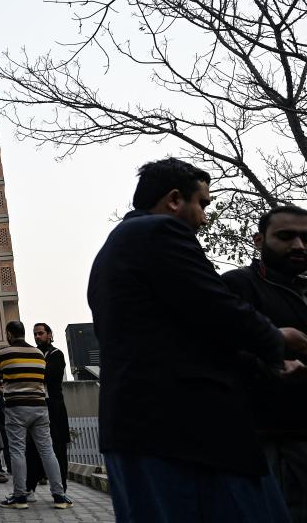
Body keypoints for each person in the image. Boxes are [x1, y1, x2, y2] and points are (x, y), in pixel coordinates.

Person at [89, 158, 307, 522]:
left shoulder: (119, 247)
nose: (204, 218)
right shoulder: (159, 233)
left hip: (144, 429)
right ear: (175, 199)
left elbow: (189, 332)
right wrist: (276, 338)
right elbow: (216, 307)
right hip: (183, 434)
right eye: (202, 204)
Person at [223, 205, 307, 522]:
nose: (299, 246)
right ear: (259, 240)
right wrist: (273, 364)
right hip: (268, 440)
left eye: (306, 238)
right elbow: (223, 352)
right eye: (286, 236)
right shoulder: (237, 285)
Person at [0, 321, 71, 510]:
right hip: (40, 406)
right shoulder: (38, 355)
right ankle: (59, 495)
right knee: (47, 450)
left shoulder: (4, 353)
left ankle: (20, 496)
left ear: (9, 334)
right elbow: (43, 377)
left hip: (16, 407)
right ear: (26, 333)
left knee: (18, 451)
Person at [24, 322, 68, 497]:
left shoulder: (56, 354)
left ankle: (60, 490)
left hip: (54, 408)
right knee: (32, 448)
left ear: (49, 334)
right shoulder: (34, 354)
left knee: (58, 448)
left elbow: (50, 375)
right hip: (36, 406)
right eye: (35, 334)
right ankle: (29, 488)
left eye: (40, 333)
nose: (37, 337)